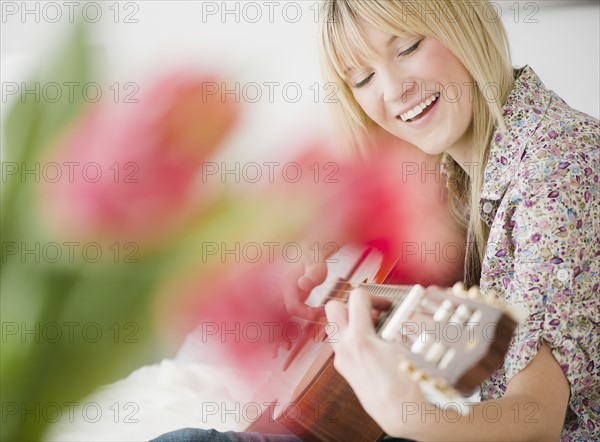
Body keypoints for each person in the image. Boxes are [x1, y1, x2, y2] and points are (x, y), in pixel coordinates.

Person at [152, 1, 599, 440]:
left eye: (407, 48)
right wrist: (319, 264)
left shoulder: (555, 166)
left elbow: (539, 420)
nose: (391, 90)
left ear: (465, 21)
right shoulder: (462, 165)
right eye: (363, 78)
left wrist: (410, 417)